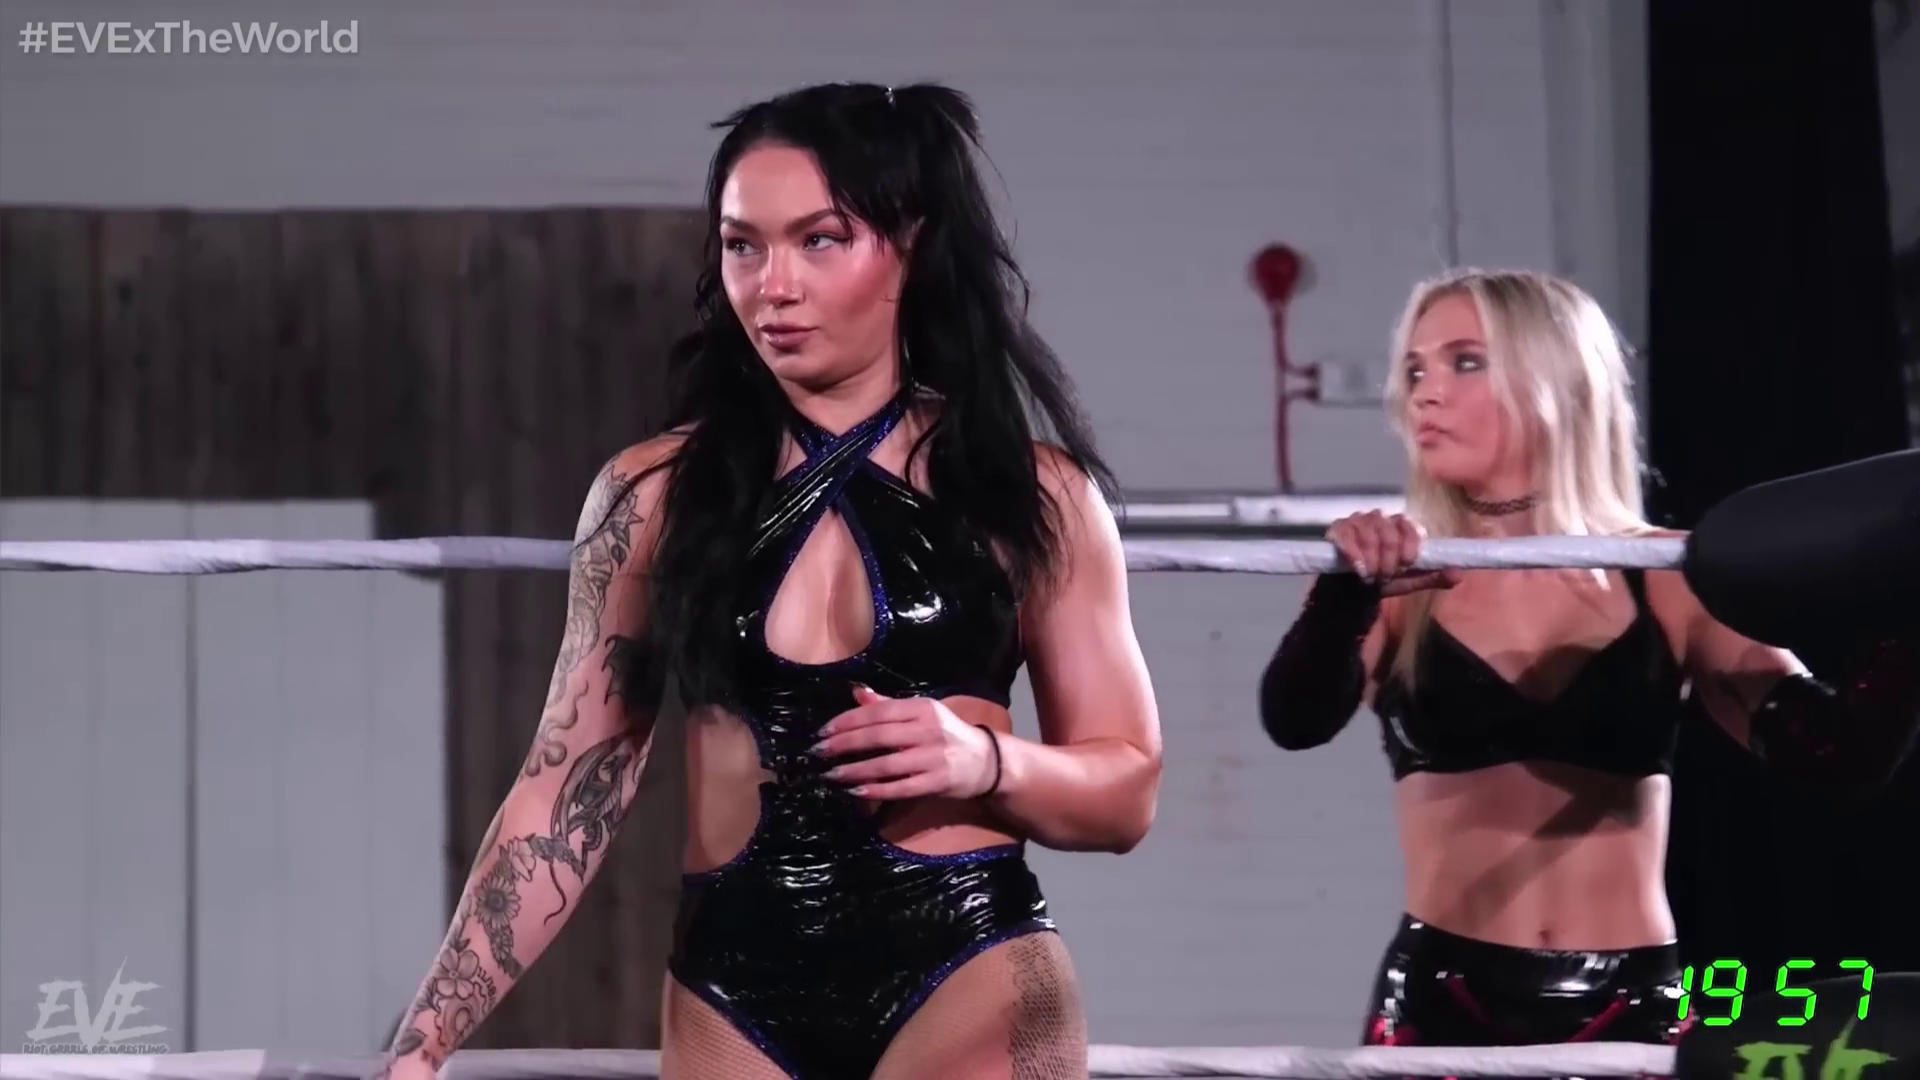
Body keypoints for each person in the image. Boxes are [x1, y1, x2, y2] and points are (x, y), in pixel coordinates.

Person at [374, 81, 1161, 1080]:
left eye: (819, 241)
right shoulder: (652, 494)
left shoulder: (1032, 493)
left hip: (968, 960)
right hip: (732, 985)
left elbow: (1127, 792)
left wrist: (987, 763)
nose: (772, 287)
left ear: (910, 245)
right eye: (743, 246)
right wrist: (421, 1047)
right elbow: (564, 789)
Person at [1255, 268, 1919, 1048]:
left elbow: (1838, 758)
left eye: (1465, 361)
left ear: (1559, 379)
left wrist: (1907, 606)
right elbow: (1295, 722)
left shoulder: (1669, 574)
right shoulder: (1395, 575)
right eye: (1415, 370)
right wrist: (1342, 605)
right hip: (1442, 1002)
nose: (1425, 394)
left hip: (1631, 1004)